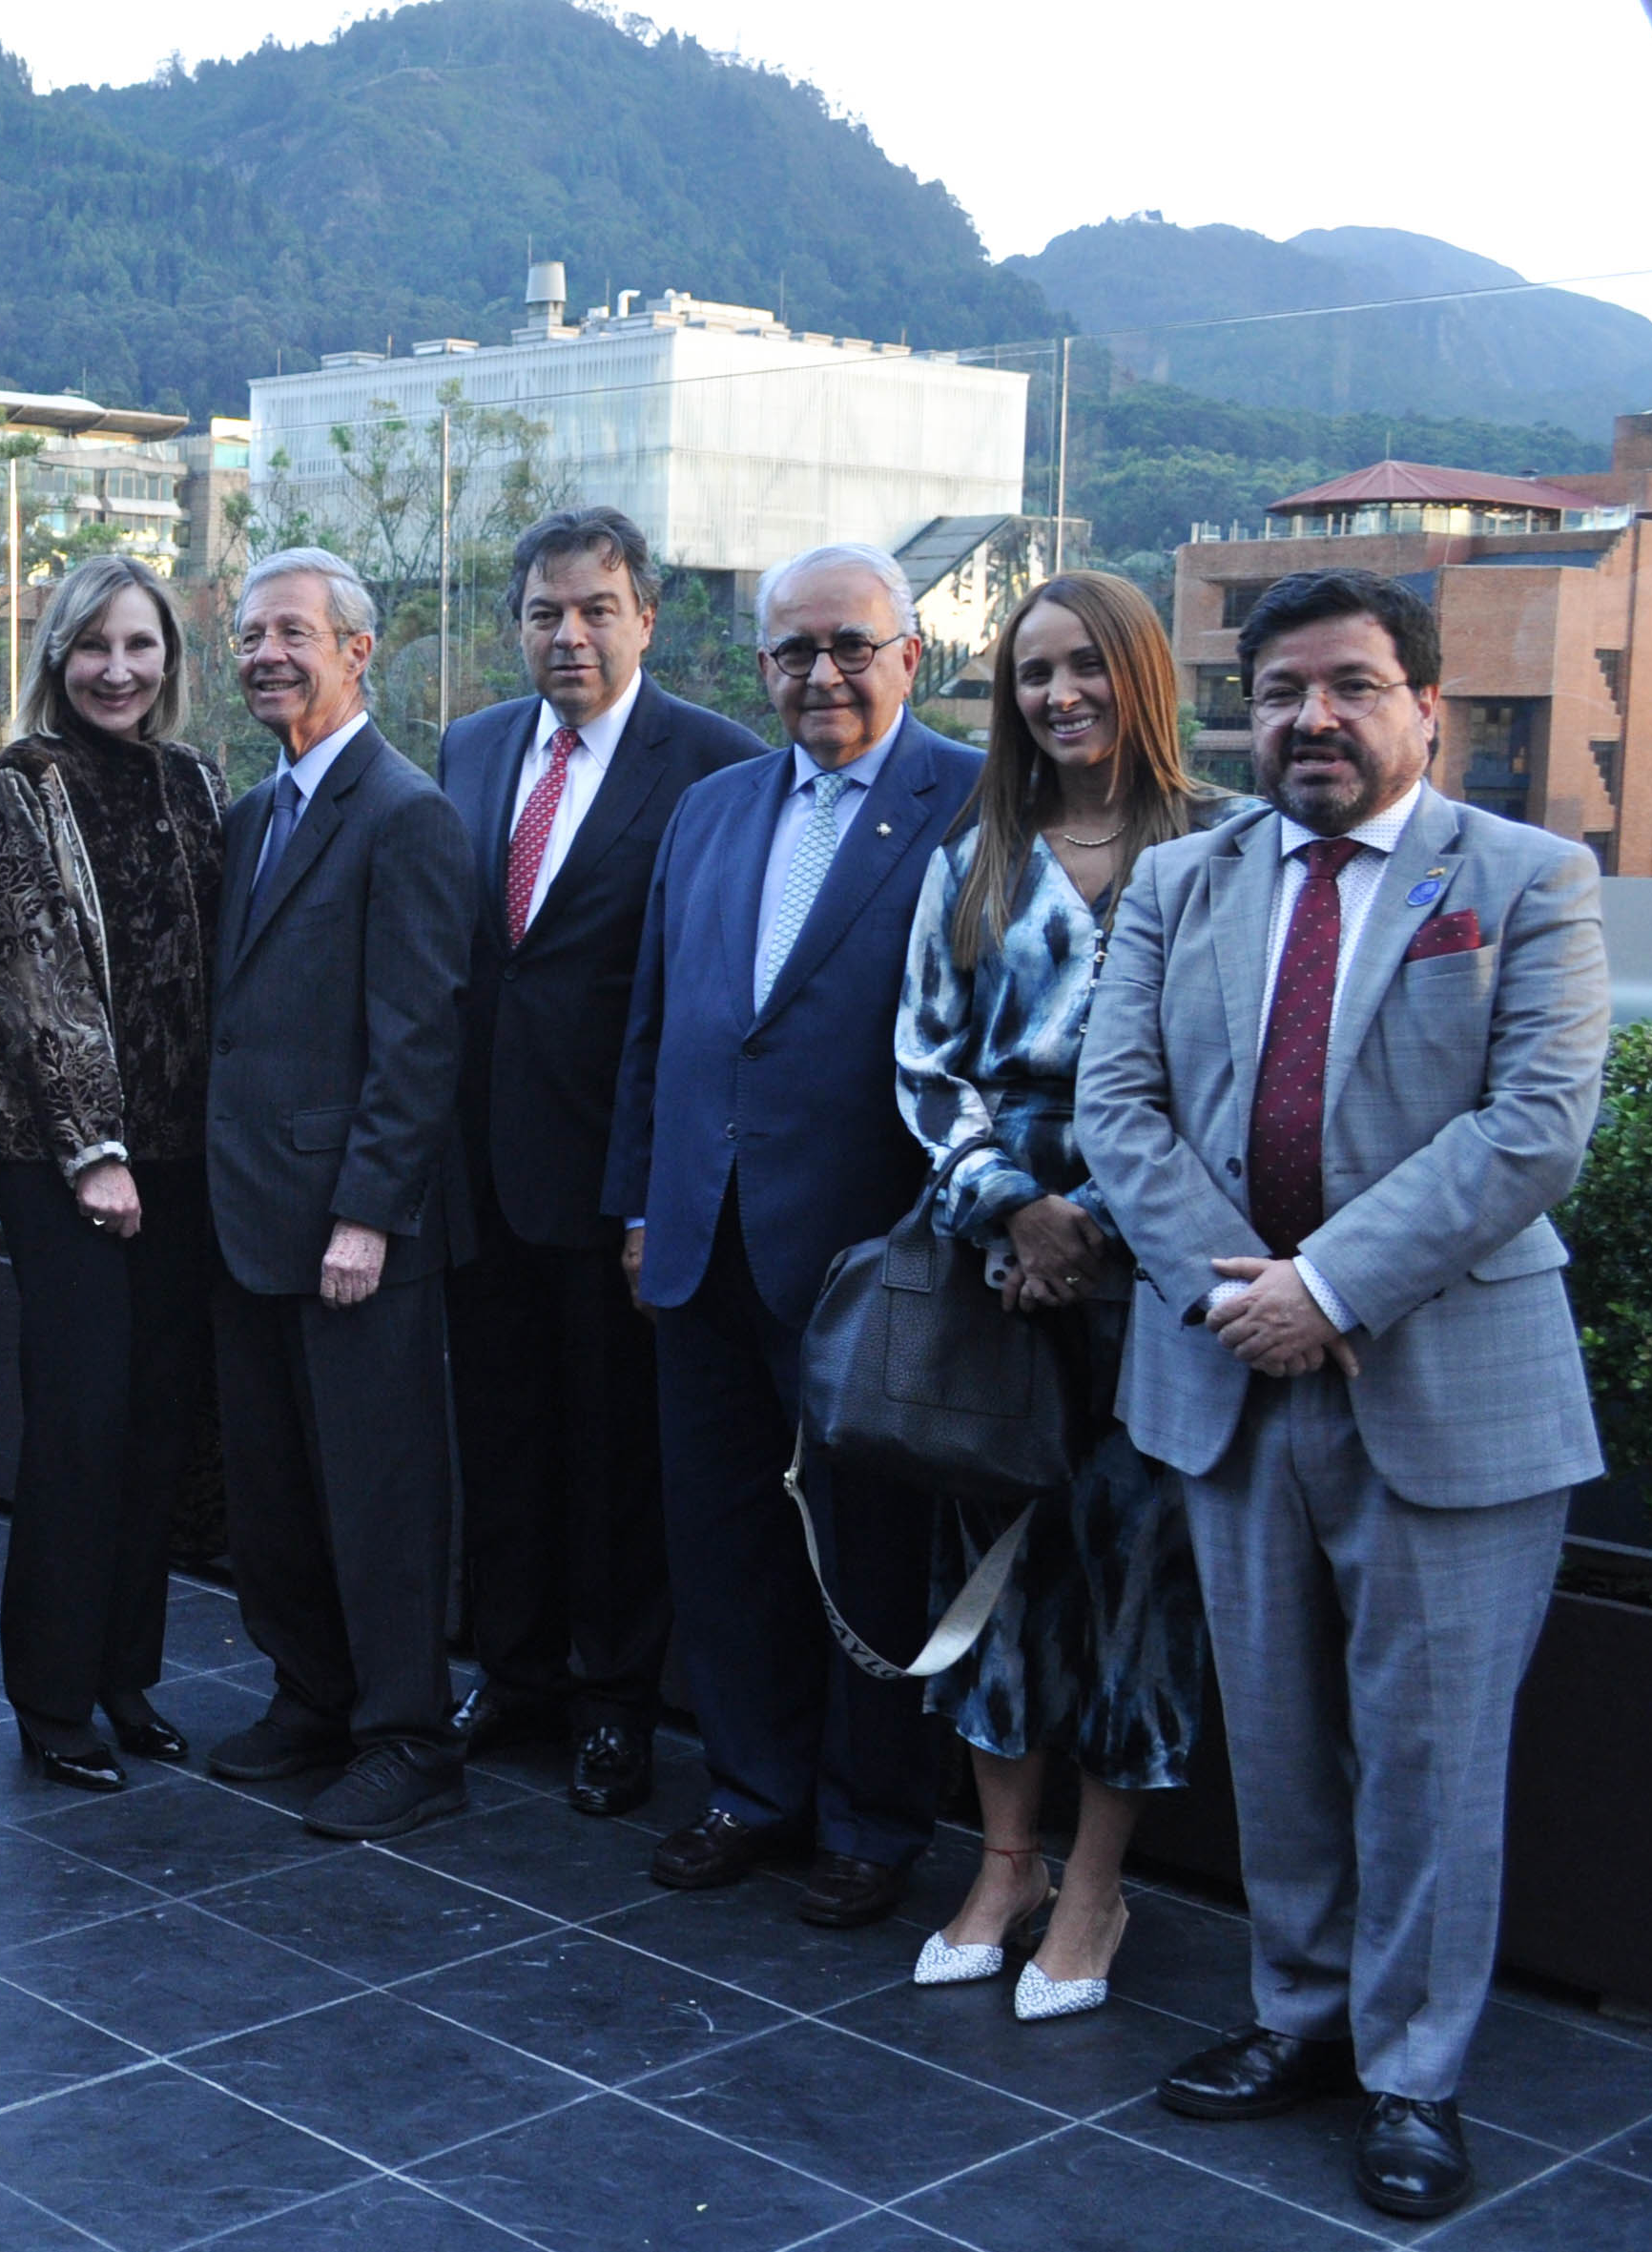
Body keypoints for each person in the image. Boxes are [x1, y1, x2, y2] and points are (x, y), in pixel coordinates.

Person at [1079, 568, 1608, 2221]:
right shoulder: (1181, 880)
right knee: (1279, 1740)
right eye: (1283, 687)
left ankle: (1411, 2075)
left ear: (1422, 706)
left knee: (1429, 1757)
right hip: (1227, 1376)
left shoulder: (1525, 878)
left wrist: (1327, 1288)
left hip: (1450, 1389)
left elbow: (1530, 1127)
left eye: (1353, 685)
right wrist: (1248, 1297)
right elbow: (1116, 1106)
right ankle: (1295, 2017)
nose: (1311, 716)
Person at [604, 542, 982, 1927]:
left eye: (849, 645)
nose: (820, 673)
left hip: (868, 1259)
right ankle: (749, 1790)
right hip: (699, 1244)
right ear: (758, 666)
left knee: (869, 1553)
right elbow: (659, 1025)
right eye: (791, 652)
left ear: (910, 655)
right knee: (719, 1539)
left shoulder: (973, 803)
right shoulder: (713, 810)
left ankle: (871, 1818)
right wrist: (638, 1204)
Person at [894, 571, 1233, 2018]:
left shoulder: (1224, 847)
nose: (1058, 694)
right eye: (1032, 672)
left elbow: (1235, 1076)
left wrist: (1091, 1223)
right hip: (998, 1271)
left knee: (1136, 1584)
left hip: (1160, 1270)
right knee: (993, 1573)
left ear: (1137, 674)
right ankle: (1004, 1864)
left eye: (1085, 665)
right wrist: (1014, 1215)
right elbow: (924, 1058)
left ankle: (1097, 1886)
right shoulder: (978, 849)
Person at [437, 509, 764, 1818]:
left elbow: (708, 995)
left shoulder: (715, 765)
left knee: (614, 1459)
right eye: (543, 612)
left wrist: (649, 1192)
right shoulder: (467, 749)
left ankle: (615, 1706)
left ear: (646, 616)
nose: (568, 634)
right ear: (516, 623)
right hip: (476, 1176)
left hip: (615, 1181)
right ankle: (511, 1674)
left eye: (595, 608)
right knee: (501, 1440)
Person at [195, 548, 477, 1841]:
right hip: (251, 1218)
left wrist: (367, 1210)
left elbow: (419, 1035)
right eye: (250, 634)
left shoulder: (405, 812)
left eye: (292, 633)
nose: (265, 655)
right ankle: (309, 1699)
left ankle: (406, 1737)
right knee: (276, 1489)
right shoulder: (251, 818)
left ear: (357, 651)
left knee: (378, 1495)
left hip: (357, 1232)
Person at [0, 556, 224, 1794]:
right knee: (78, 1429)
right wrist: (96, 1147)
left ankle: (129, 1677)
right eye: (92, 647)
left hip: (186, 1164)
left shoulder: (195, 780)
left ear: (169, 658)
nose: (117, 671)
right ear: (56, 658)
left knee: (156, 1431)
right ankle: (52, 1697)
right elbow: (34, 976)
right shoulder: (24, 785)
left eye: (139, 646)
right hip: (69, 1165)